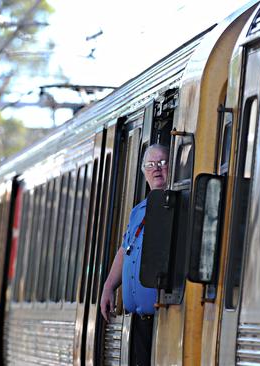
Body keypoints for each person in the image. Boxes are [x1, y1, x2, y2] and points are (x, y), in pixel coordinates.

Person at [100, 143, 169, 366]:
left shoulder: (176, 205)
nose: (156, 169)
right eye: (150, 165)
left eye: (162, 163)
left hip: (164, 321)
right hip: (139, 322)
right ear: (143, 171)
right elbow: (125, 250)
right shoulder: (138, 211)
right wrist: (109, 286)